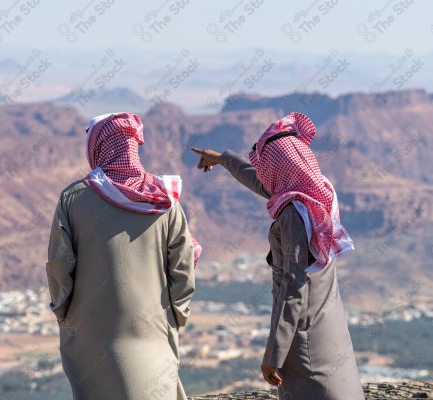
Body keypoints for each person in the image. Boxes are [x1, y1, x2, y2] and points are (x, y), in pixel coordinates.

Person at [192, 112, 365, 400]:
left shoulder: (292, 216)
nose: (264, 172)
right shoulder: (319, 193)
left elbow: (294, 288)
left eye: (267, 166)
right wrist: (224, 159)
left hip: (302, 332)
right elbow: (267, 185)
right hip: (327, 318)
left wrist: (275, 354)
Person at [46, 112, 199, 400]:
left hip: (89, 334)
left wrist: (64, 314)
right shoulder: (163, 200)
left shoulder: (74, 198)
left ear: (97, 146)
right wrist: (174, 317)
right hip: (153, 328)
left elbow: (59, 266)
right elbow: (182, 268)